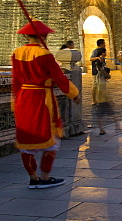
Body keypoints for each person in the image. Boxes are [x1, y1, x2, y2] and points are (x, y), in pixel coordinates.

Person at [11, 20, 80, 189]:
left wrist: (15, 101)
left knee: (26, 141)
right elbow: (59, 78)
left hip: (22, 98)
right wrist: (74, 94)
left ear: (27, 35)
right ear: (44, 36)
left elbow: (15, 80)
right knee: (53, 139)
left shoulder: (16, 53)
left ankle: (33, 177)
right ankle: (45, 176)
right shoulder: (45, 55)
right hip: (42, 99)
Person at [89, 38, 112, 135]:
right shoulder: (96, 51)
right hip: (96, 73)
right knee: (96, 86)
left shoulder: (101, 53)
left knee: (97, 86)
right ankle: (95, 99)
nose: (105, 45)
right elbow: (91, 59)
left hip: (99, 73)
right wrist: (98, 58)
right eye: (104, 44)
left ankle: (98, 99)